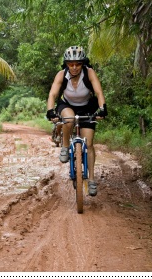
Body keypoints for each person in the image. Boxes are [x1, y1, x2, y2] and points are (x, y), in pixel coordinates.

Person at [46, 46, 107, 196]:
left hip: (87, 107)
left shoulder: (89, 73)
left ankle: (91, 180)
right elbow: (53, 94)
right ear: (66, 63)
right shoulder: (61, 74)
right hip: (67, 105)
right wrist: (50, 110)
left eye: (78, 64)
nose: (74, 67)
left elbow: (99, 92)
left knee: (90, 143)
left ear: (83, 63)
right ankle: (66, 146)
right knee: (69, 119)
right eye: (71, 64)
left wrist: (103, 108)